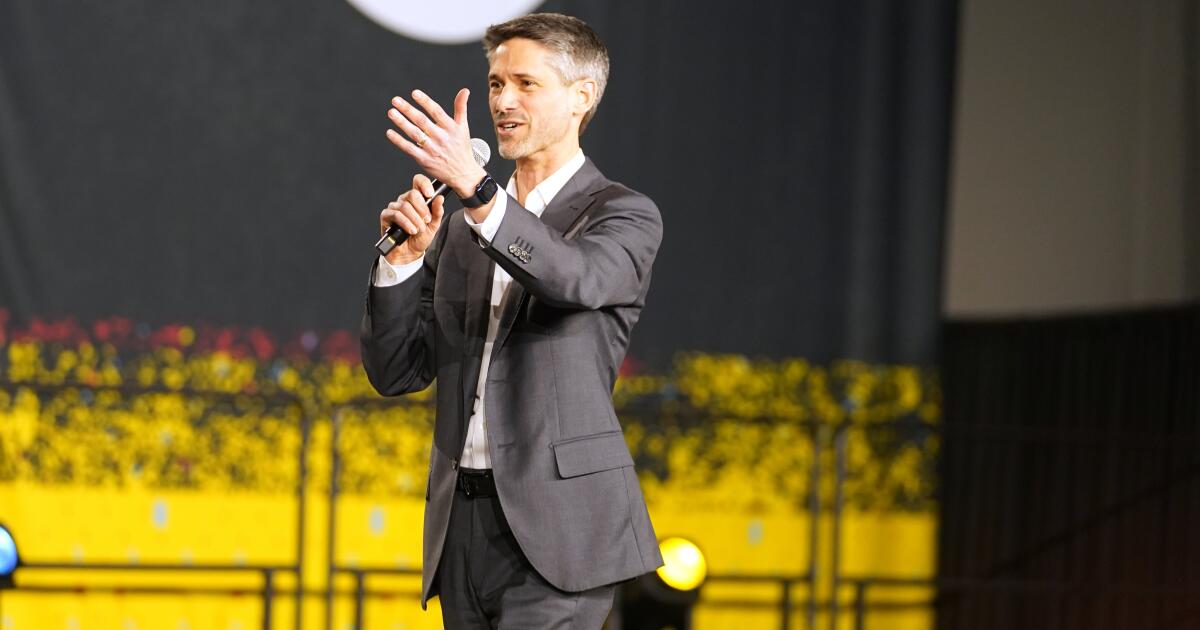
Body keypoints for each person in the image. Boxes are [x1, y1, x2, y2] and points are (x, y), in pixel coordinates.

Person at [360, 12, 664, 628]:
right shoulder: (463, 231)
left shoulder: (623, 215)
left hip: (560, 531)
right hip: (461, 527)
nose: (503, 101)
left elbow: (573, 278)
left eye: (526, 84)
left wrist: (478, 193)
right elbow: (397, 372)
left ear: (582, 97)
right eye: (497, 84)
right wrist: (403, 263)